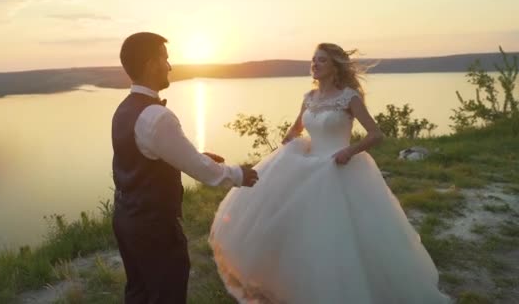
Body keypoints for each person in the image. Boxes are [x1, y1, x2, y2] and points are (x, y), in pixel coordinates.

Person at [209, 43, 450, 303]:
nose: (314, 64)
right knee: (300, 230)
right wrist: (289, 140)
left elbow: (376, 134)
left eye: (321, 60)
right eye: (313, 60)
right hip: (308, 168)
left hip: (339, 167)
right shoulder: (309, 98)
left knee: (341, 234)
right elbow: (296, 129)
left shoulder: (349, 97)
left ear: (335, 66)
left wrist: (350, 151)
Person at [111, 32, 258, 304]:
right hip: (155, 226)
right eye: (164, 59)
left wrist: (195, 155)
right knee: (167, 293)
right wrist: (238, 174)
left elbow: (146, 154)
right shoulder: (157, 116)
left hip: (125, 220)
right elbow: (205, 173)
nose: (169, 66)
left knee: (139, 291)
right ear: (150, 64)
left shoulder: (123, 109)